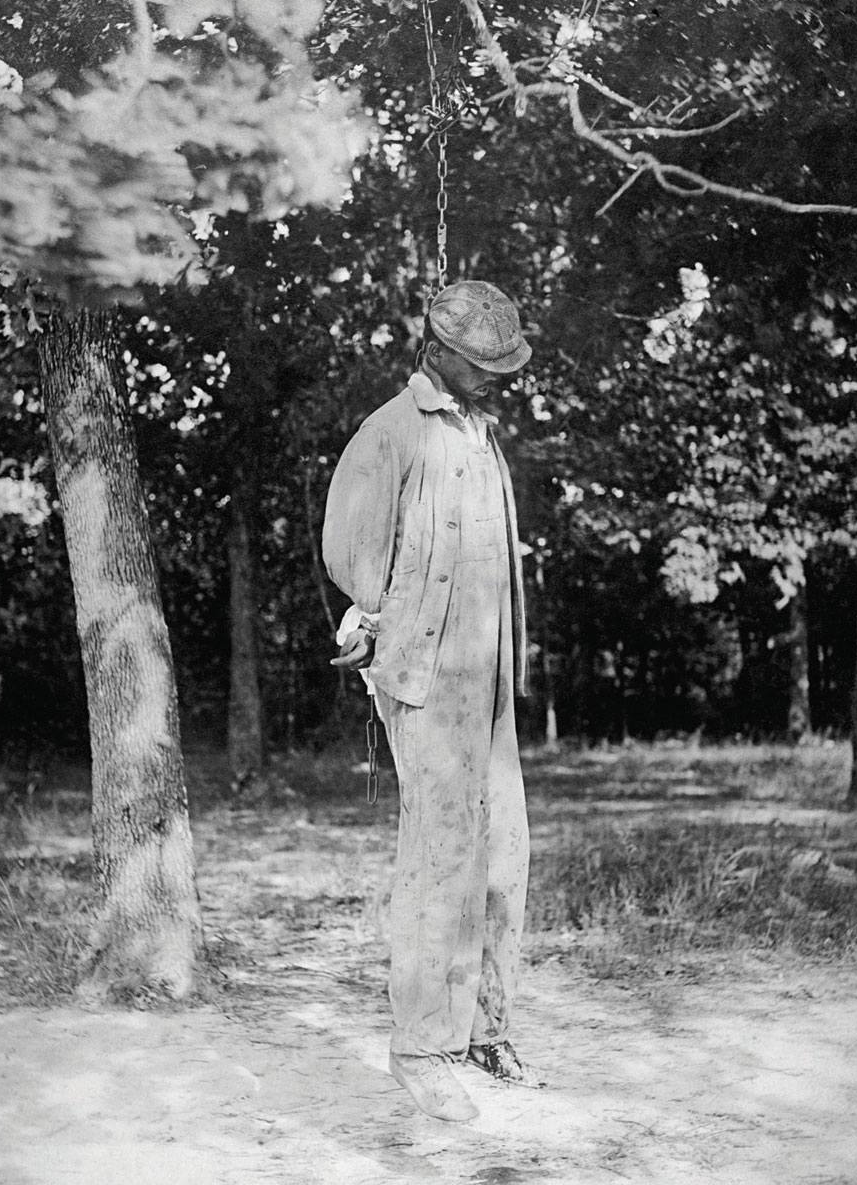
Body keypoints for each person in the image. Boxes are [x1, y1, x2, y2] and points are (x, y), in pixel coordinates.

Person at [321, 280, 537, 1122]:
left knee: (503, 852)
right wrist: (386, 624)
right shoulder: (391, 432)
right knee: (439, 859)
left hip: (485, 682)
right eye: (482, 365)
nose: (496, 379)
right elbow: (353, 555)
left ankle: (484, 1026)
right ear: (436, 352)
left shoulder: (479, 433)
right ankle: (420, 1046)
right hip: (425, 677)